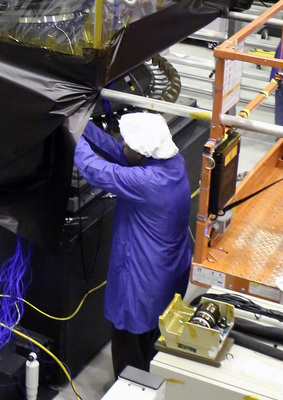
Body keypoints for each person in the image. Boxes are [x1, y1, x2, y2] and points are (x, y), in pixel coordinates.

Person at [73, 110, 193, 378]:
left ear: (142, 154)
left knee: (130, 348)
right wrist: (79, 122)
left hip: (142, 280)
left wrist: (68, 132)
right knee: (153, 340)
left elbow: (95, 169)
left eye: (129, 143)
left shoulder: (147, 182)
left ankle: (130, 396)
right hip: (167, 273)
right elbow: (118, 152)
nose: (123, 145)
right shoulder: (173, 164)